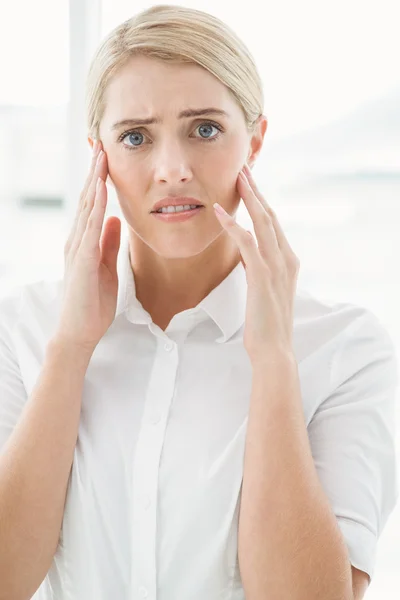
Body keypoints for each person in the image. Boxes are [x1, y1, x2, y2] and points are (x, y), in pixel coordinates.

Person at [0, 4, 398, 600]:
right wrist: (70, 350)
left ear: (255, 139)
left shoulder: (343, 348)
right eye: (135, 137)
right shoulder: (25, 328)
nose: (172, 169)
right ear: (98, 155)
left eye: (204, 129)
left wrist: (273, 362)